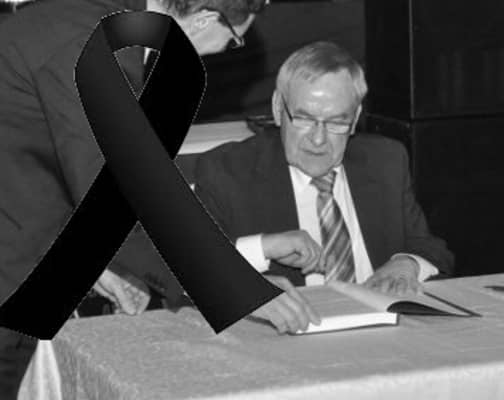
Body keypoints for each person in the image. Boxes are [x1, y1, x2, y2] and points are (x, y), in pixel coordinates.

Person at [0, 0, 297, 398]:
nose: (222, 53)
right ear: (206, 19)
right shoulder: (93, 41)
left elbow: (36, 164)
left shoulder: (94, 18)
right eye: (232, 40)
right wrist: (236, 288)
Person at [193, 41, 455, 334]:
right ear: (278, 109)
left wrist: (406, 263)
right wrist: (262, 251)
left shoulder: (385, 161)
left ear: (355, 119)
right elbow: (189, 263)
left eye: (336, 122)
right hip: (287, 339)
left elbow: (430, 247)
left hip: (388, 333)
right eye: (304, 119)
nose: (318, 139)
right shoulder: (228, 170)